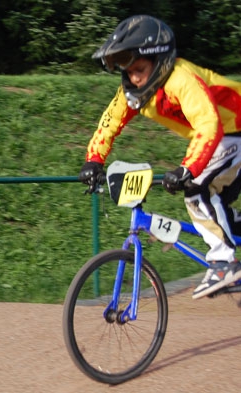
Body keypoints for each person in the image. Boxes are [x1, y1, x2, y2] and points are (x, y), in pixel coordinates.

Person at [79, 15, 241, 299]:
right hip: (224, 137)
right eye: (127, 72)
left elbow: (209, 125)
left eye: (139, 69)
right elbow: (110, 120)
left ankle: (224, 264)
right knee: (216, 207)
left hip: (234, 131)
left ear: (160, 61)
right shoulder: (136, 92)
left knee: (196, 190)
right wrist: (94, 160)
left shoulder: (181, 79)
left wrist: (187, 169)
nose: (133, 77)